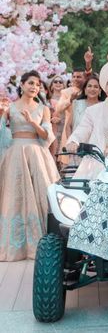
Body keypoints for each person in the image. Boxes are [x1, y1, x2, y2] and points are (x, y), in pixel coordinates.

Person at [0, 70, 59, 261]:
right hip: (15, 154)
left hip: (36, 154)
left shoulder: (43, 109)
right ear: (22, 85)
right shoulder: (10, 108)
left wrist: (33, 122)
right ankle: (15, 246)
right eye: (31, 83)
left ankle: (43, 245)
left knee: (40, 196)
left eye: (37, 85)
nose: (34, 87)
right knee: (14, 196)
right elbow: (2, 134)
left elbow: (47, 137)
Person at [56, 47, 94, 164]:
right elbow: (58, 108)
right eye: (74, 76)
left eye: (79, 77)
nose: (76, 79)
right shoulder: (66, 92)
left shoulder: (89, 91)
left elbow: (91, 77)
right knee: (69, 165)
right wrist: (70, 100)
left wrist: (88, 63)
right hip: (70, 130)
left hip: (89, 132)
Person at [48, 75, 66, 161]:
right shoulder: (47, 99)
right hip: (51, 129)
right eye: (55, 81)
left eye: (60, 82)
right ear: (51, 85)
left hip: (64, 128)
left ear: (64, 85)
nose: (58, 83)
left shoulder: (67, 99)